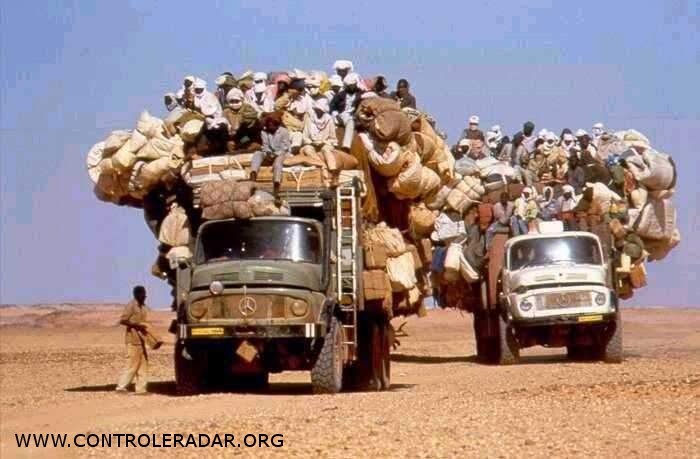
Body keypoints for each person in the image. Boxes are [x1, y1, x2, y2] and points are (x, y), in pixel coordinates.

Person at [116, 286, 157, 394]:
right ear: (136, 295)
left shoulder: (143, 307)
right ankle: (121, 387)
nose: (145, 297)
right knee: (132, 364)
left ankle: (141, 389)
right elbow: (123, 320)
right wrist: (136, 326)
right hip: (132, 340)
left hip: (141, 340)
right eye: (143, 295)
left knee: (143, 365)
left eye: (145, 295)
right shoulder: (131, 305)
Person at [250, 114, 291, 203]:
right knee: (257, 154)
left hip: (281, 153)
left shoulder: (284, 131)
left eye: (272, 126)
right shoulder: (264, 132)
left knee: (277, 164)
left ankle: (276, 186)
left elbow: (286, 146)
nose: (271, 127)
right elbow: (265, 145)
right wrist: (267, 152)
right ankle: (253, 175)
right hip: (269, 153)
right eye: (269, 125)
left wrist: (276, 154)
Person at [300, 98, 341, 185]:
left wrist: (323, 142)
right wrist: (311, 142)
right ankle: (323, 166)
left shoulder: (329, 120)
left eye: (320, 110)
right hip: (312, 143)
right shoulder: (310, 119)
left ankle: (333, 172)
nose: (318, 111)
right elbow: (305, 136)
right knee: (307, 149)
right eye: (317, 109)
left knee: (326, 150)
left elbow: (333, 138)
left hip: (325, 143)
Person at [330, 73, 363, 151]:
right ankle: (340, 144)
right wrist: (336, 115)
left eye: (353, 85)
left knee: (351, 121)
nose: (351, 87)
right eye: (349, 85)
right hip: (341, 115)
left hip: (354, 116)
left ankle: (346, 145)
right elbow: (332, 106)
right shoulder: (340, 95)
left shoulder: (361, 94)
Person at [223, 88, 261, 152]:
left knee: (248, 135)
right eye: (232, 101)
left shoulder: (248, 108)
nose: (234, 103)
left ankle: (251, 145)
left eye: (236, 101)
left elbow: (250, 128)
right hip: (232, 136)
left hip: (246, 136)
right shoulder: (226, 112)